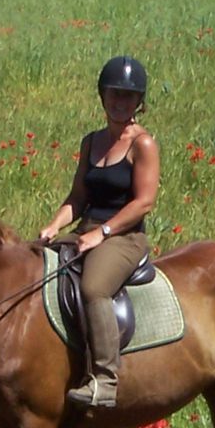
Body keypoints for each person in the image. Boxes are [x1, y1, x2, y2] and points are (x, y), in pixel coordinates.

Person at [37, 56, 161, 408]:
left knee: (93, 287)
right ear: (102, 96)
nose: (120, 102)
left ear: (139, 102)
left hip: (125, 236)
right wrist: (54, 225)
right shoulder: (91, 142)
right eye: (114, 94)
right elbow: (77, 197)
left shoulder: (143, 145)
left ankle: (105, 379)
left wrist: (102, 233)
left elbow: (143, 203)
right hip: (87, 229)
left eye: (128, 96)